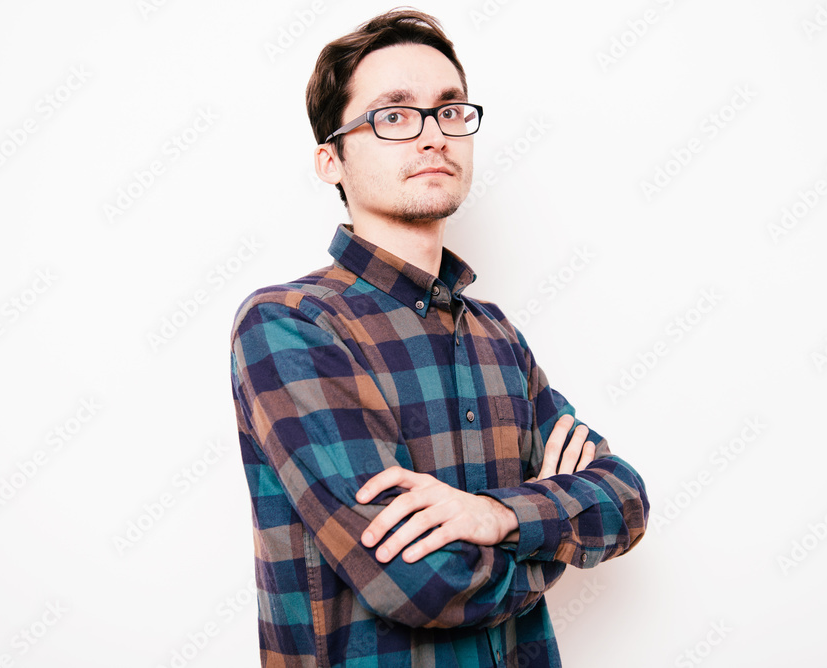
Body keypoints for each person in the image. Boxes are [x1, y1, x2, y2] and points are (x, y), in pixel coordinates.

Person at [229, 8, 649, 667]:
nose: (433, 136)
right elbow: (420, 584)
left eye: (450, 110)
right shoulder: (290, 324)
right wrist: (554, 530)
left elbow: (624, 498)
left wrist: (494, 517)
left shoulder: (496, 334)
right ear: (330, 159)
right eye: (393, 116)